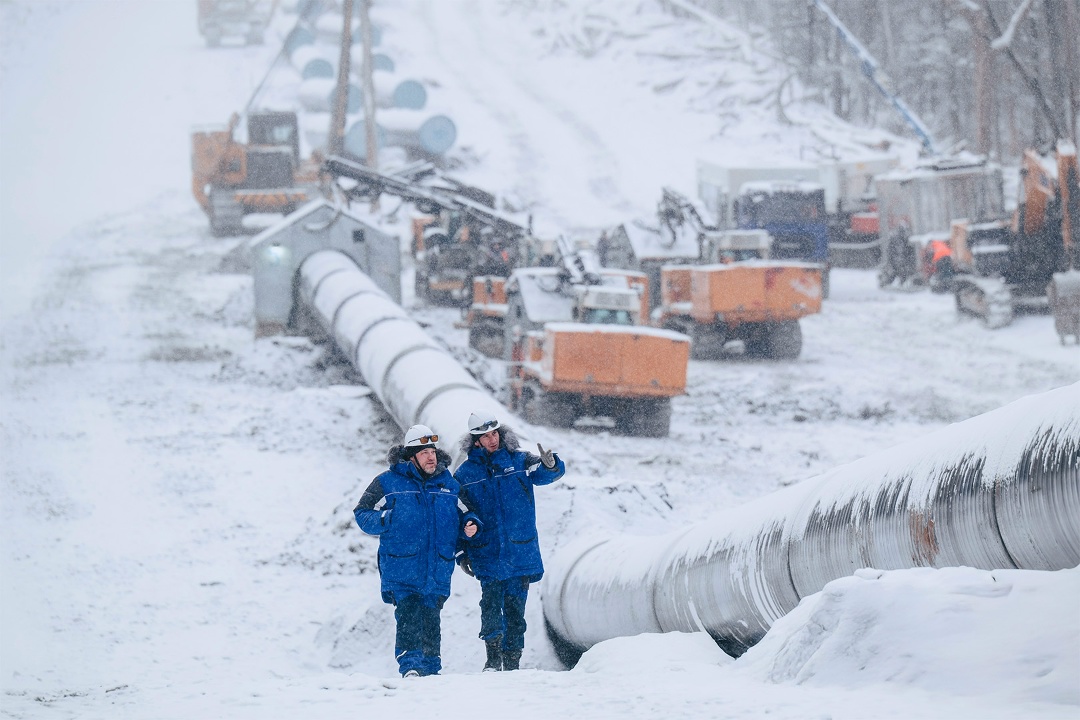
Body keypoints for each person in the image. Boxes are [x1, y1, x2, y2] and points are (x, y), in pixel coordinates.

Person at [354, 424, 480, 678]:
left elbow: (468, 511)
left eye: (432, 451)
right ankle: (410, 665)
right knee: (409, 614)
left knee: (431, 618)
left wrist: (471, 524)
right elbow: (362, 512)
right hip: (402, 566)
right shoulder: (387, 482)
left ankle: (432, 668)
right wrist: (389, 519)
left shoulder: (448, 484)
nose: (431, 457)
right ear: (411, 457)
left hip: (437, 567)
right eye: (424, 453)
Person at [453, 411, 566, 672]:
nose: (492, 440)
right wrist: (462, 553)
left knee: (515, 612)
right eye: (485, 436)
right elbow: (457, 515)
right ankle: (493, 660)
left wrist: (552, 465)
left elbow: (544, 472)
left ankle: (512, 661)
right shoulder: (465, 475)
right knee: (491, 608)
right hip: (487, 554)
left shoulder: (520, 461)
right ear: (476, 441)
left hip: (519, 552)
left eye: (495, 433)